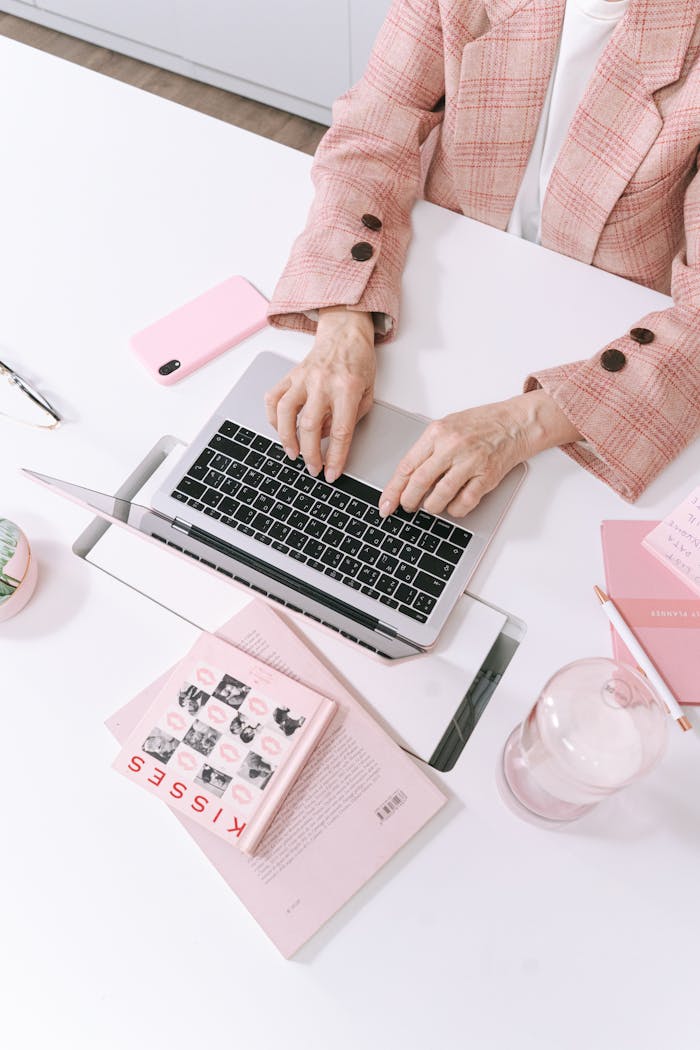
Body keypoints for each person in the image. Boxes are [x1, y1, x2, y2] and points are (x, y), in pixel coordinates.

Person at [266, 0, 700, 516]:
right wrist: (343, 321)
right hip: (432, 290)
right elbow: (370, 137)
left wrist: (523, 425)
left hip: (611, 345)